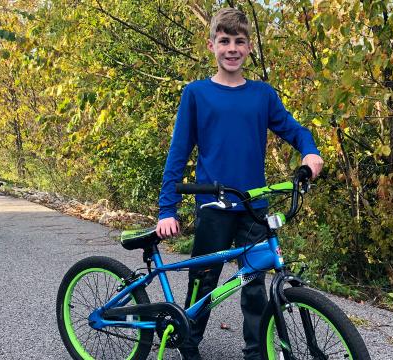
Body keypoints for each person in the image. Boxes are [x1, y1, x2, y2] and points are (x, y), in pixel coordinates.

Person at [155, 7, 323, 360]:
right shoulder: (197, 94)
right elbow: (178, 153)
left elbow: (294, 129)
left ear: (249, 48)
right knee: (204, 279)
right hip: (214, 206)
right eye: (224, 41)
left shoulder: (262, 95)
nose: (232, 48)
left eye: (239, 41)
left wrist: (310, 152)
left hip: (253, 206)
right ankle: (189, 342)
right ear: (211, 45)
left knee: (254, 285)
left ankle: (256, 352)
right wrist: (167, 209)